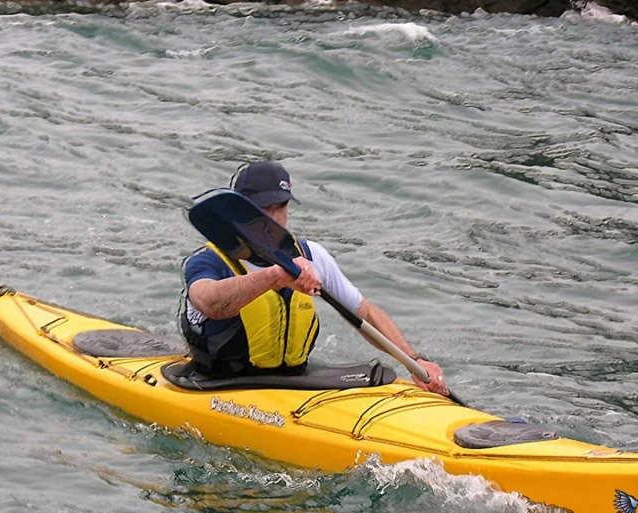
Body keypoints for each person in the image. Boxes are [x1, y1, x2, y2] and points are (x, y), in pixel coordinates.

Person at [180, 160, 449, 395]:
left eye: (281, 206)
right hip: (221, 384)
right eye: (264, 208)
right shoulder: (208, 261)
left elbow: (365, 314)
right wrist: (274, 277)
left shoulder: (311, 255)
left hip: (294, 383)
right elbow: (209, 302)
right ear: (240, 210)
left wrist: (414, 361)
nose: (275, 218)